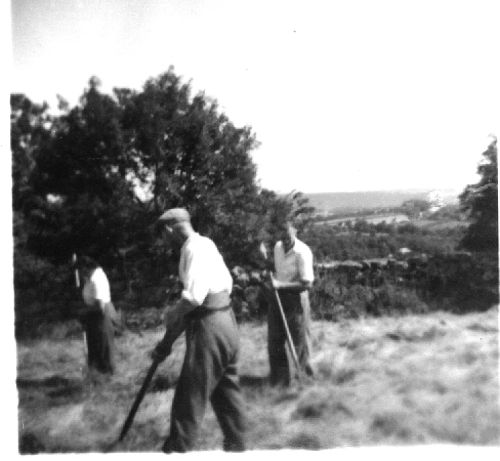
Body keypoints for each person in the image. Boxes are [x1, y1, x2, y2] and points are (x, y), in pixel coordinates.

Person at [151, 208, 246, 453]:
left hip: (210, 327)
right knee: (227, 394)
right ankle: (238, 448)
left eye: (162, 235)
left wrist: (171, 313)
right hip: (227, 321)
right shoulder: (207, 244)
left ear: (169, 229)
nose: (163, 241)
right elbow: (206, 299)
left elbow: (193, 299)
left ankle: (177, 450)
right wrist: (166, 343)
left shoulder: (192, 249)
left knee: (189, 398)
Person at [265, 219, 315, 386]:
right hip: (278, 298)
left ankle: (305, 380)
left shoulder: (303, 252)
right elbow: (277, 271)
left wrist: (281, 285)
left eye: (288, 234)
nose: (285, 239)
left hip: (296, 299)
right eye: (282, 235)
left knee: (299, 342)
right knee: (275, 342)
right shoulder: (278, 247)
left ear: (295, 230)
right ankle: (280, 383)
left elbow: (307, 283)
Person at [78, 256, 118, 378]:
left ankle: (106, 375)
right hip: (93, 314)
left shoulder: (97, 279)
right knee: (94, 345)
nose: (80, 272)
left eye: (81, 269)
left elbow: (100, 306)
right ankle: (96, 375)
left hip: (101, 314)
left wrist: (83, 311)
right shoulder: (89, 278)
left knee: (103, 344)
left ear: (87, 268)